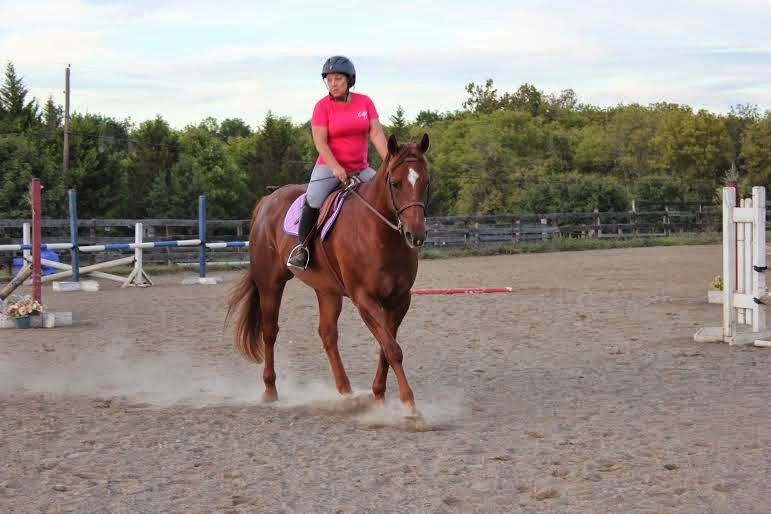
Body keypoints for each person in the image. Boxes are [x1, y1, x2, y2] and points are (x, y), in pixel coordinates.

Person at [287, 55, 388, 269]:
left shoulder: (365, 102)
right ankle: (303, 248)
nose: (333, 84)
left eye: (338, 79)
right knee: (313, 198)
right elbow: (321, 143)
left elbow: (377, 134)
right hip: (328, 166)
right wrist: (336, 168)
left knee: (387, 191)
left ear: (349, 80)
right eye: (329, 80)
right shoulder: (321, 107)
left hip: (360, 168)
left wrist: (390, 162)